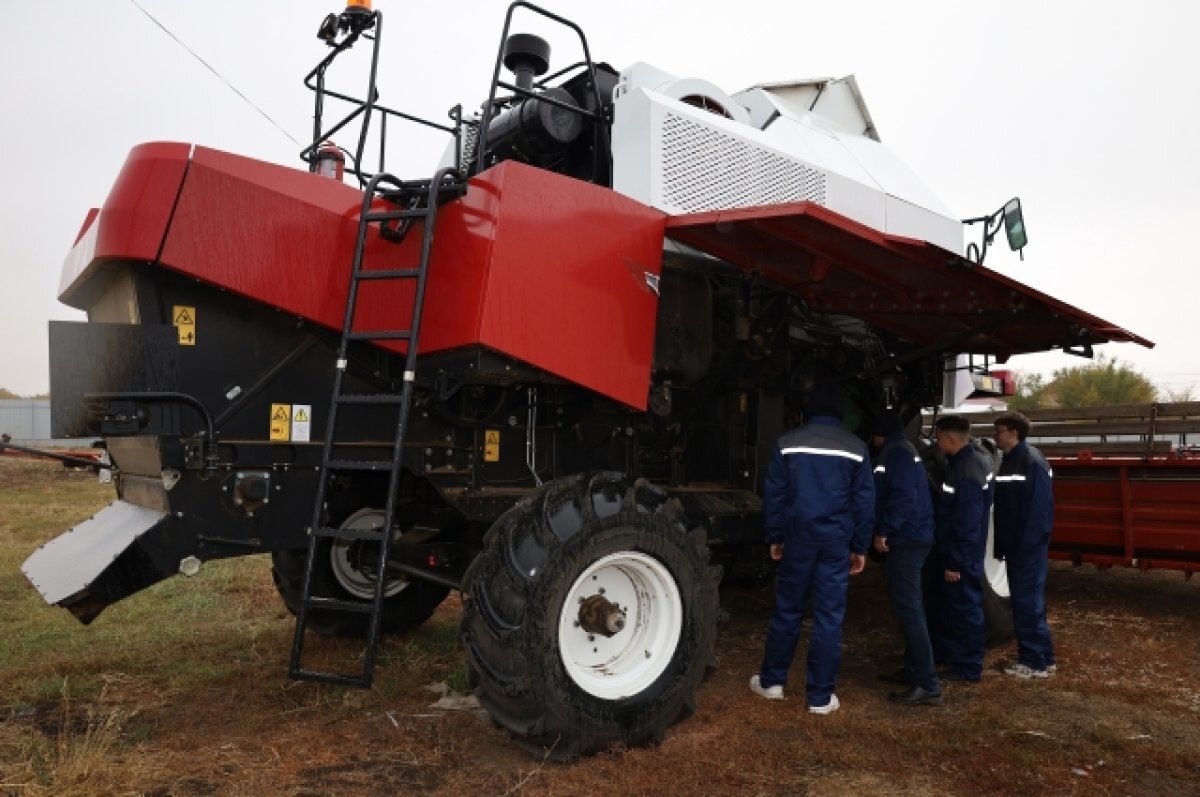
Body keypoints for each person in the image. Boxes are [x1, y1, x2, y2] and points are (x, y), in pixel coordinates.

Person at [750, 381, 875, 714]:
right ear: (841, 414)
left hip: (798, 540)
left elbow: (774, 496)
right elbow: (864, 503)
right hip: (836, 543)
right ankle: (819, 698)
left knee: (788, 610)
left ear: (808, 410)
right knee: (829, 617)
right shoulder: (856, 447)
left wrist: (775, 537)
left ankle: (772, 683)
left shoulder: (787, 443)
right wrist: (860, 546)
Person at [870, 410, 941, 706]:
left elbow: (901, 497)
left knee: (910, 609)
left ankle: (928, 685)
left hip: (907, 540)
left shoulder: (895, 453)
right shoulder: (904, 449)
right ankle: (913, 670)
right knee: (911, 607)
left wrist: (884, 531)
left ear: (879, 433)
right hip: (914, 536)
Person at [992, 410, 1057, 678]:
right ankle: (1044, 657)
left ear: (1014, 433)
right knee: (1028, 603)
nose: (995, 436)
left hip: (1026, 549)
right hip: (1018, 546)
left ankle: (1033, 663)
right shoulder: (1011, 460)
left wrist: (1023, 547)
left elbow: (1037, 513)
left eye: (999, 431)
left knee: (1026, 604)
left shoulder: (1030, 462)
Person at [928, 414, 992, 683]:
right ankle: (957, 658)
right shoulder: (970, 461)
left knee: (964, 610)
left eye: (938, 437)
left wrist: (955, 562)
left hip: (962, 557)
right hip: (962, 553)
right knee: (956, 609)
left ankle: (968, 667)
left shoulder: (965, 471)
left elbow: (966, 523)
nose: (936, 442)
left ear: (950, 438)